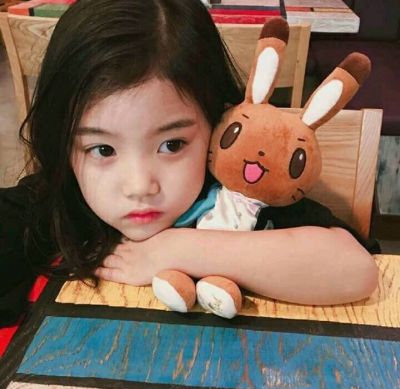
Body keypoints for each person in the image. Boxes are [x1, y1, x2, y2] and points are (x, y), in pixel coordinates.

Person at [0, 0, 379, 327]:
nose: (139, 185)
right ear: (65, 144)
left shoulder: (239, 197)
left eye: (172, 144)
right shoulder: (54, 204)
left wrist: (176, 249)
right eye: (102, 150)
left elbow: (355, 270)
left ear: (216, 123)